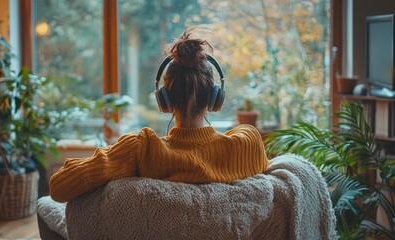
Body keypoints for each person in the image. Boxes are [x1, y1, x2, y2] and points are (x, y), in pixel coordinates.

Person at [49, 26, 269, 203]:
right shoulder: (246, 143)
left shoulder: (143, 149)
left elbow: (59, 187)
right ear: (214, 98)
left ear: (164, 100)